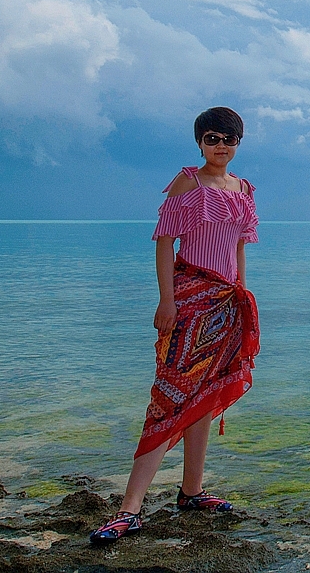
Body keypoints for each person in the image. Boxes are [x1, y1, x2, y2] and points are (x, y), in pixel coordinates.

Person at [90, 106, 261, 545]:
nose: (220, 145)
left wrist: (241, 295)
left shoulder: (244, 189)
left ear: (239, 143)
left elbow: (240, 247)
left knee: (204, 397)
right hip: (187, 299)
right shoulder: (189, 181)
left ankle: (191, 491)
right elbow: (165, 243)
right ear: (200, 142)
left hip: (225, 303)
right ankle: (129, 511)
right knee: (166, 400)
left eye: (229, 139)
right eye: (212, 138)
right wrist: (166, 300)